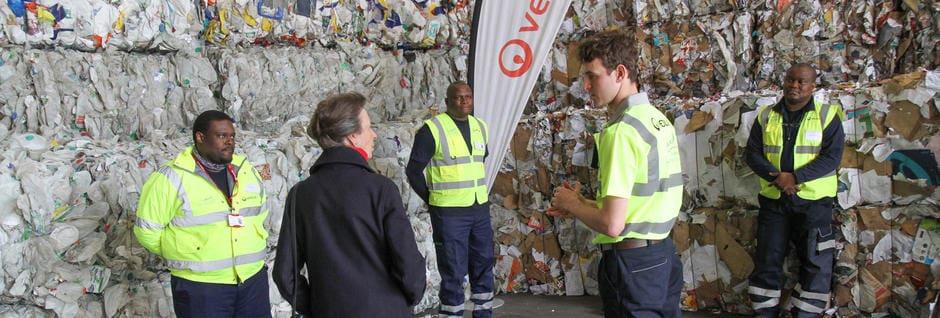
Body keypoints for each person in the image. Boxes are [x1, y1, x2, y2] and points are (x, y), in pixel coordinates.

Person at [548, 30, 684, 317]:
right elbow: (638, 201)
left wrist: (570, 203)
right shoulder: (657, 120)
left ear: (620, 72)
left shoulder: (620, 132)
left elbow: (613, 224)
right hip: (663, 258)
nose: (585, 86)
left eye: (592, 76)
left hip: (632, 265)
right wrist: (581, 203)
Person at [272, 92, 426, 317]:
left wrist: (316, 306)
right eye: (369, 127)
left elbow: (285, 274)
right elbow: (408, 267)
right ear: (353, 136)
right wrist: (405, 300)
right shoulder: (380, 189)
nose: (374, 135)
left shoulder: (300, 195)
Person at [134, 110, 271, 318]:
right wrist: (184, 252)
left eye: (232, 136)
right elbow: (147, 231)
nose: (229, 142)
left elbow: (261, 213)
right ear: (200, 137)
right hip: (201, 286)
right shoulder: (171, 177)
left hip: (252, 280)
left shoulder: (246, 171)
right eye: (222, 136)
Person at [745, 63, 844, 317]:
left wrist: (796, 177)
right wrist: (778, 178)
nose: (795, 86)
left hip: (814, 203)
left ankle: (805, 314)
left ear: (813, 86)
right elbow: (752, 153)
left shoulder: (827, 115)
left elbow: (831, 158)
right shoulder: (766, 115)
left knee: (815, 263)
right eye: (791, 80)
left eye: (802, 82)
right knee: (767, 261)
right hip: (774, 201)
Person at [405, 81, 494, 318]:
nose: (464, 101)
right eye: (458, 97)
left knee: (483, 261)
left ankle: (484, 313)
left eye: (468, 97)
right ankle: (452, 314)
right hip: (449, 211)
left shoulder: (480, 127)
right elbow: (413, 171)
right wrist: (431, 198)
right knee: (453, 268)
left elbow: (477, 162)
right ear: (447, 101)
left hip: (479, 208)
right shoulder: (432, 129)